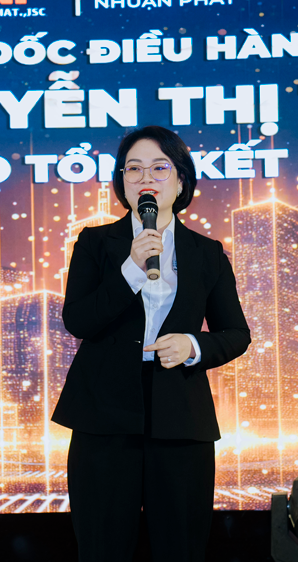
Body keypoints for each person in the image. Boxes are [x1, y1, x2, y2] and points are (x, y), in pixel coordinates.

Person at [51, 126, 251, 562]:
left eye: (160, 168)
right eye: (134, 168)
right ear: (122, 182)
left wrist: (193, 346)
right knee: (102, 548)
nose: (146, 177)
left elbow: (236, 334)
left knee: (181, 547)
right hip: (103, 415)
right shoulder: (95, 243)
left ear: (181, 181)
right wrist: (131, 268)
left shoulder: (207, 253)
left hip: (181, 416)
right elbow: (78, 321)